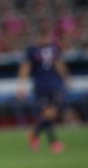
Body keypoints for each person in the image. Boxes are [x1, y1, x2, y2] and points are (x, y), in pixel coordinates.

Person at [17, 23, 71, 154]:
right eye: (43, 37)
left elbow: (59, 64)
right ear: (38, 37)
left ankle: (34, 134)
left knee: (51, 114)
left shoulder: (54, 49)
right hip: (40, 86)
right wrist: (21, 86)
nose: (46, 39)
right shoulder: (32, 50)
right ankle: (54, 143)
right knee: (48, 114)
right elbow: (25, 67)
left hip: (55, 85)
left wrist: (66, 78)